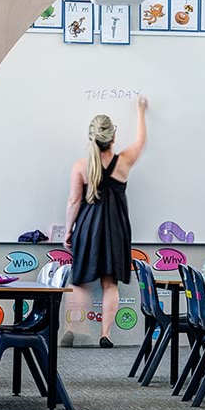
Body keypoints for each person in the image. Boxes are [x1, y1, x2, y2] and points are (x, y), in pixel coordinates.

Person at [61, 95, 148, 348]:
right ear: (113, 137)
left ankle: (74, 327)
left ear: (91, 137)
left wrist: (68, 231)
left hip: (88, 228)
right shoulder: (124, 161)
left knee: (79, 281)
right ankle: (105, 334)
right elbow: (141, 142)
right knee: (110, 283)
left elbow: (73, 202)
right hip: (116, 229)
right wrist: (140, 111)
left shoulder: (81, 165)